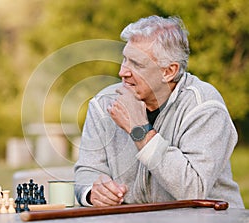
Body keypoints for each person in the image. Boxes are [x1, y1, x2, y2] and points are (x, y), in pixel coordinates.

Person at [74, 15, 244, 208]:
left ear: (169, 71)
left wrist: (140, 131)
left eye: (136, 64)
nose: (122, 72)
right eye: (125, 59)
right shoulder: (102, 104)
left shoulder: (204, 106)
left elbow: (193, 189)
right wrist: (92, 193)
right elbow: (86, 170)